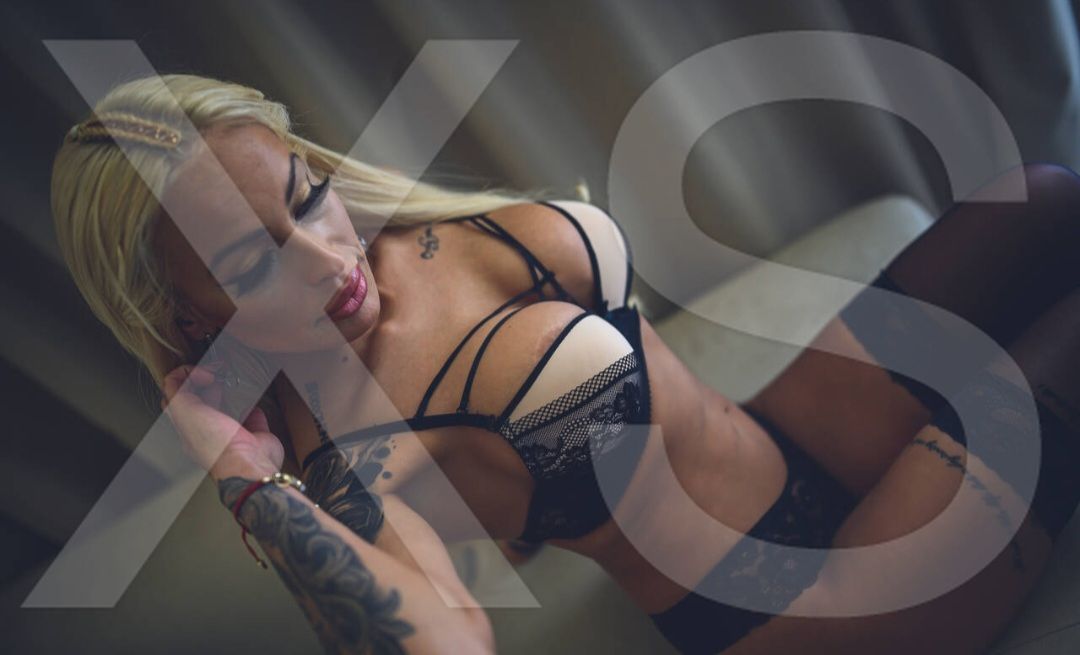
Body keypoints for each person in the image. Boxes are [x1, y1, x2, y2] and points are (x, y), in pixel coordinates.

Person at [50, 73, 1080, 654]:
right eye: (252, 264)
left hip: (783, 430)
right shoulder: (340, 453)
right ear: (189, 317)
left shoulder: (395, 232)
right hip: (792, 607)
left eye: (305, 195)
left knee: (1045, 197)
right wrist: (244, 480)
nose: (328, 260)